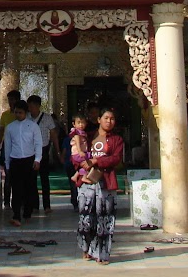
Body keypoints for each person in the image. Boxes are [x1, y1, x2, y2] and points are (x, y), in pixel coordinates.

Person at [75, 107, 124, 265]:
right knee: (86, 216)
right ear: (98, 120)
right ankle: (86, 249)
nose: (109, 121)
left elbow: (116, 159)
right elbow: (75, 154)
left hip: (106, 181)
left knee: (105, 218)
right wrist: (80, 163)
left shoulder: (117, 139)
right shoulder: (87, 137)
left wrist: (97, 161)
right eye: (106, 118)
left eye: (112, 119)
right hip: (87, 181)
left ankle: (102, 254)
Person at [2, 100, 42, 227]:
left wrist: (37, 159)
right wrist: (7, 164)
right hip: (16, 160)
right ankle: (16, 215)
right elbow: (7, 146)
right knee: (16, 188)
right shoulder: (10, 127)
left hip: (29, 160)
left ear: (26, 112)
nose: (18, 115)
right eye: (16, 112)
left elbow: (38, 143)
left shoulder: (33, 126)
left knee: (29, 187)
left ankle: (27, 212)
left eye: (20, 112)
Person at [27, 95, 60, 213]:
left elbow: (53, 134)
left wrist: (57, 151)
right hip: (30, 151)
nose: (31, 109)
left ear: (38, 106)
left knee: (44, 178)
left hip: (43, 150)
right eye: (29, 106)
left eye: (33, 106)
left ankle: (47, 205)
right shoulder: (26, 118)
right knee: (31, 179)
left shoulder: (47, 118)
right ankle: (34, 204)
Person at [0, 90, 21, 207]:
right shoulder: (5, 115)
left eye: (13, 99)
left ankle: (19, 201)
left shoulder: (22, 116)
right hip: (7, 148)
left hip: (20, 148)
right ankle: (7, 202)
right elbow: (1, 132)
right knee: (8, 177)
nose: (11, 102)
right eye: (9, 100)